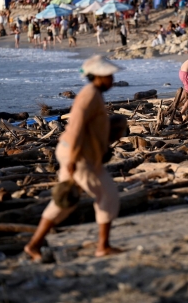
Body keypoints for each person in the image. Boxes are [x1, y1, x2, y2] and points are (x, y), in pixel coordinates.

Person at [24, 56, 126, 261]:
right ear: (98, 76)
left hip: (79, 153)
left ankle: (33, 245)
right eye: (109, 76)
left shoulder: (94, 94)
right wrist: (72, 158)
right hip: (78, 155)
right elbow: (76, 125)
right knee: (108, 195)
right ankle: (103, 246)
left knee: (65, 201)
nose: (112, 80)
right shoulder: (90, 95)